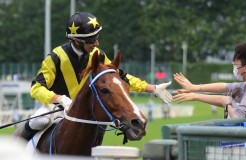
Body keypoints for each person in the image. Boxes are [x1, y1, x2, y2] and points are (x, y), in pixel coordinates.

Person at [18, 12, 172, 141]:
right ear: (76, 41)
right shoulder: (56, 57)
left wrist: (153, 88)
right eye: (91, 39)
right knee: (41, 119)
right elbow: (36, 88)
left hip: (81, 109)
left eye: (97, 37)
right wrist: (58, 99)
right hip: (55, 107)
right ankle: (18, 145)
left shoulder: (98, 55)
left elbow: (120, 78)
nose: (96, 43)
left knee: (99, 125)